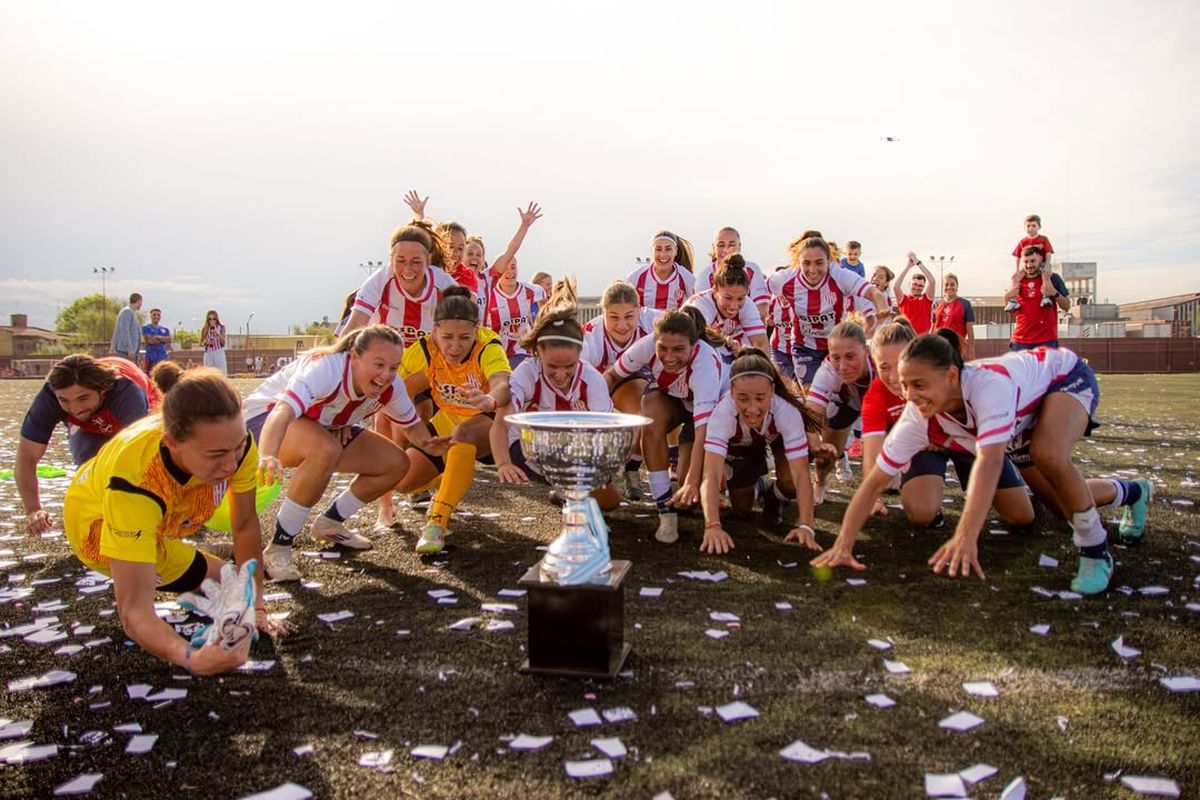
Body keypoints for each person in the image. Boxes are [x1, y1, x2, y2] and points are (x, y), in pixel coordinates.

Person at [813, 330, 1147, 595]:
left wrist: (966, 534)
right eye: (904, 385)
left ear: (952, 376)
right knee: (1061, 506)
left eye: (919, 384)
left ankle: (1094, 550)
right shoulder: (916, 416)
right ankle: (1131, 491)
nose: (909, 396)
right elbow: (873, 481)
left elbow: (988, 461)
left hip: (1062, 378)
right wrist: (843, 544)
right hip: (1018, 420)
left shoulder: (988, 387)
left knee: (1048, 453)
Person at [61, 369, 273, 675]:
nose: (231, 465)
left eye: (237, 448)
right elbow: (134, 614)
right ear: (172, 443)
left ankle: (177, 549)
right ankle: (142, 559)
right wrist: (190, 657)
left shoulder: (234, 443)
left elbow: (244, 523)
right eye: (216, 454)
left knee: (236, 593)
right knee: (138, 590)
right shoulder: (135, 482)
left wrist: (258, 605)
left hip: (160, 522)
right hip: (95, 527)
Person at [244, 325, 448, 581]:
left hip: (316, 427)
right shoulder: (326, 369)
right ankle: (278, 547)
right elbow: (282, 412)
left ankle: (330, 523)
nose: (386, 375)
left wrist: (432, 444)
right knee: (324, 449)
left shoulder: (392, 386)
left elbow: (413, 427)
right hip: (261, 423)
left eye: (394, 367)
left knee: (395, 463)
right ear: (353, 357)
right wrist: (267, 454)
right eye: (378, 364)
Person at [849, 320, 1034, 529]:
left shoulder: (958, 380)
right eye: (884, 367)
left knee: (1022, 517)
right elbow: (872, 451)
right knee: (922, 513)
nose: (894, 377)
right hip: (926, 449)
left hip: (970, 443)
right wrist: (872, 495)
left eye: (900, 363)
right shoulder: (877, 396)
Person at [393, 286, 512, 554]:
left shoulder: (487, 345)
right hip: (448, 420)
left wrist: (489, 399)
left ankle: (437, 522)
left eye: (464, 337)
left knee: (464, 433)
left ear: (476, 331)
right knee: (402, 481)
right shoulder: (423, 348)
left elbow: (503, 384)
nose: (455, 346)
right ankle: (452, 479)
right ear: (434, 330)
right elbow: (392, 391)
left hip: (489, 420)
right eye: (447, 337)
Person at [492, 278, 619, 509]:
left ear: (580, 353)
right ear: (538, 351)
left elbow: (606, 434)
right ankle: (567, 488)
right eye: (552, 366)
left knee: (609, 503)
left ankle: (565, 491)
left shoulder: (591, 380)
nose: (560, 375)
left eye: (569, 366)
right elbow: (501, 423)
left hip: (577, 448)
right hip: (528, 449)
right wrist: (502, 464)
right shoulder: (527, 372)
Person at [605, 307, 726, 545]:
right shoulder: (648, 344)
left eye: (679, 349)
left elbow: (704, 431)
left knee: (689, 496)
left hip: (706, 414)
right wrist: (596, 409)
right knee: (649, 415)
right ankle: (664, 510)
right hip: (672, 398)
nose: (669, 357)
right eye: (663, 348)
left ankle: (744, 481)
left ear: (693, 345)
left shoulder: (705, 366)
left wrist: (691, 481)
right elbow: (612, 375)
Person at [17, 355, 161, 534]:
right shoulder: (50, 397)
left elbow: (141, 456)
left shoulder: (127, 393)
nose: (75, 408)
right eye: (64, 400)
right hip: (89, 426)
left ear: (103, 391)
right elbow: (27, 456)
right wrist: (33, 509)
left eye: (83, 398)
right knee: (87, 466)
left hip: (139, 410)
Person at [699, 348, 823, 555]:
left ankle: (775, 496)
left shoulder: (786, 411)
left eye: (760, 398)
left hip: (776, 439)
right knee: (742, 510)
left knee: (791, 481)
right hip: (742, 444)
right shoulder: (722, 414)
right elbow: (710, 476)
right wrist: (712, 525)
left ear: (772, 391)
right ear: (731, 391)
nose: (752, 408)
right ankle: (757, 485)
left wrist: (806, 526)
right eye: (743, 398)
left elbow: (802, 475)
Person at [767, 235, 890, 387]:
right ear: (798, 262)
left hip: (837, 347)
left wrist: (882, 306)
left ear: (828, 261)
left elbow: (872, 292)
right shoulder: (785, 278)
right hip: (804, 348)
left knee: (840, 396)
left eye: (819, 263)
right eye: (806, 263)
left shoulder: (839, 275)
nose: (812, 270)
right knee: (812, 395)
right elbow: (756, 288)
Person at [581, 279, 660, 499]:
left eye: (629, 317)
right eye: (613, 317)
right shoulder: (591, 334)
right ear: (603, 313)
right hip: (601, 380)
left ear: (640, 311)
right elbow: (579, 377)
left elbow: (688, 322)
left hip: (637, 376)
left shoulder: (653, 320)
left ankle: (633, 467)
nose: (622, 325)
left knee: (650, 416)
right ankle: (580, 476)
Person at [343, 220, 459, 346]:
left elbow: (466, 330)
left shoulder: (445, 285)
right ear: (391, 259)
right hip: (384, 358)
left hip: (428, 361)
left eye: (416, 262)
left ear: (428, 260)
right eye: (401, 260)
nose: (408, 269)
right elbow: (354, 326)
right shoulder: (380, 280)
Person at [804, 322, 875, 500]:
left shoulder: (882, 362)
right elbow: (812, 412)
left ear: (866, 351)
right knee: (827, 454)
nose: (842, 366)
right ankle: (820, 481)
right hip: (847, 403)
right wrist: (815, 445)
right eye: (836, 357)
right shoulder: (828, 370)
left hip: (883, 405)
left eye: (850, 356)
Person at [683, 255, 769, 358]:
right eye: (728, 298)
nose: (733, 306)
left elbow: (761, 345)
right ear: (715, 291)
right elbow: (693, 337)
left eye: (740, 298)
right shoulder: (701, 304)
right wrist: (724, 342)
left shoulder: (747, 304)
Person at [695, 227, 770, 322]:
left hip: (746, 332)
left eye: (732, 244)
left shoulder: (752, 270)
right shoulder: (705, 275)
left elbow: (762, 311)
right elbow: (702, 314)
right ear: (714, 248)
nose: (726, 249)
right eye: (721, 245)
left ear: (739, 246)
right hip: (715, 333)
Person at [484, 257, 547, 369]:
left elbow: (545, 302)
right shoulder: (489, 293)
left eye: (513, 267)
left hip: (522, 352)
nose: (510, 272)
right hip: (497, 352)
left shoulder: (531, 290)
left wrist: (540, 325)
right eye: (505, 268)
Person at [1005, 246, 1069, 350]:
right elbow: (1011, 311)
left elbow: (1067, 306)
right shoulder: (1017, 280)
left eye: (1032, 261)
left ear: (1040, 258)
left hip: (1046, 341)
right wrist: (1007, 296)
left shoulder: (1052, 278)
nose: (1029, 265)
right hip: (1020, 341)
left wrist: (1054, 292)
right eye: (1026, 262)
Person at [625, 230, 696, 312]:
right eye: (658, 249)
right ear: (652, 251)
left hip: (673, 324)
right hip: (643, 325)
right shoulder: (635, 277)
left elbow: (699, 307)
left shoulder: (686, 277)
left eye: (668, 249)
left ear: (675, 251)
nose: (663, 254)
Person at [1004, 213, 1056, 312]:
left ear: (1039, 227)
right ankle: (1013, 300)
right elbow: (1018, 256)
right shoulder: (1023, 242)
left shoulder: (1043, 239)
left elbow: (1048, 253)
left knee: (1045, 276)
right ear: (1025, 227)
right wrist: (1017, 270)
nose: (1031, 228)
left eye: (1033, 226)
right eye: (1028, 226)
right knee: (1015, 278)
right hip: (1026, 265)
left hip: (1041, 264)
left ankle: (1045, 297)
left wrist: (1047, 265)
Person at [932, 273, 976, 359]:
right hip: (939, 349)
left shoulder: (965, 304)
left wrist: (971, 352)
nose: (949, 287)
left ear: (957, 286)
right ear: (942, 287)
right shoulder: (936, 304)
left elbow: (970, 334)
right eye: (946, 284)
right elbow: (932, 329)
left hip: (957, 349)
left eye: (952, 284)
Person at [894, 253, 936, 335]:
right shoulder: (903, 300)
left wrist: (917, 262)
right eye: (914, 284)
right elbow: (896, 287)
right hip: (907, 339)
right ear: (909, 284)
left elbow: (932, 281)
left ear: (924, 287)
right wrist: (908, 267)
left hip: (923, 340)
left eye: (920, 286)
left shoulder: (926, 300)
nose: (917, 287)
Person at [110, 293, 143, 362]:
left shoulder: (132, 313)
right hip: (125, 352)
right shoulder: (127, 312)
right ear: (139, 301)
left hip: (130, 352)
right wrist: (129, 348)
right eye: (141, 302)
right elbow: (124, 331)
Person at [141, 307, 172, 373]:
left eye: (158, 315)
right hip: (151, 358)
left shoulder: (165, 329)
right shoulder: (146, 328)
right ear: (151, 316)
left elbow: (169, 340)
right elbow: (149, 340)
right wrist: (162, 339)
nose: (156, 316)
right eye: (154, 315)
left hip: (162, 357)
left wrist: (157, 338)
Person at [200, 310, 228, 374]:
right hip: (208, 353)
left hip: (219, 352)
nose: (212, 321)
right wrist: (206, 343)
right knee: (209, 373)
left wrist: (217, 334)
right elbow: (201, 343)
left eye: (214, 319)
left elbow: (223, 342)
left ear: (217, 319)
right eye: (210, 319)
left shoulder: (221, 327)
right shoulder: (205, 329)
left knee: (221, 372)